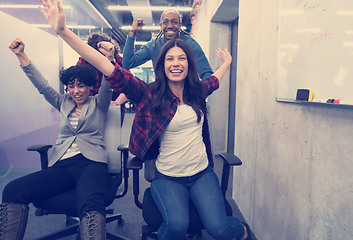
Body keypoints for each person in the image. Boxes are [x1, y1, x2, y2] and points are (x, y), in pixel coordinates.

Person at [39, 1, 249, 239]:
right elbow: (107, 67)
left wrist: (228, 63)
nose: (176, 63)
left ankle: (242, 232)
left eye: (182, 58)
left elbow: (216, 79)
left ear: (189, 64)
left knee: (220, 228)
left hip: (202, 173)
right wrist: (63, 32)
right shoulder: (149, 93)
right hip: (168, 176)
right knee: (176, 227)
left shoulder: (197, 91)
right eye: (170, 59)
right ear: (162, 65)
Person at [1, 38, 112, 240]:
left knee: (90, 203)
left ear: (89, 87)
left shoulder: (99, 103)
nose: (76, 90)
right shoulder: (63, 102)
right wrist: (21, 55)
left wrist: (109, 58)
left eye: (81, 86)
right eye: (71, 86)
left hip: (92, 164)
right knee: (12, 190)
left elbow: (108, 83)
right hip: (62, 165)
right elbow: (41, 85)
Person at [122, 9, 214, 79]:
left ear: (180, 25)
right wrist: (132, 33)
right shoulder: (153, 45)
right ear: (161, 25)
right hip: (162, 98)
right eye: (165, 22)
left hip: (185, 98)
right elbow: (128, 63)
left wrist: (196, 98)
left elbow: (207, 75)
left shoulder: (191, 45)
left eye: (174, 22)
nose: (170, 26)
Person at [77, 32, 128, 125]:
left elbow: (128, 85)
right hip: (91, 104)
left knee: (112, 136)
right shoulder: (84, 61)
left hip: (114, 104)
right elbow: (76, 82)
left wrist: (117, 102)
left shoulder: (119, 61)